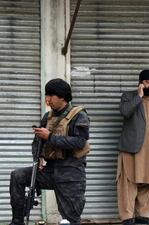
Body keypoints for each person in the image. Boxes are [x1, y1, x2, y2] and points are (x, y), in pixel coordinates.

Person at [9, 78, 90, 225]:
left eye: (50, 95)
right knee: (18, 175)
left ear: (62, 96)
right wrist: (38, 157)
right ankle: (17, 220)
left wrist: (50, 137)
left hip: (71, 172)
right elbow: (36, 142)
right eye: (46, 95)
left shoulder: (79, 115)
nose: (47, 99)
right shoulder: (48, 117)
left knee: (70, 220)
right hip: (50, 170)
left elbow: (79, 142)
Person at [116, 69, 149, 225]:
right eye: (147, 82)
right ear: (140, 83)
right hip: (130, 148)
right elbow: (125, 112)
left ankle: (142, 214)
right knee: (128, 183)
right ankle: (127, 217)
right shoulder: (128, 96)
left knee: (147, 182)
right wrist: (138, 96)